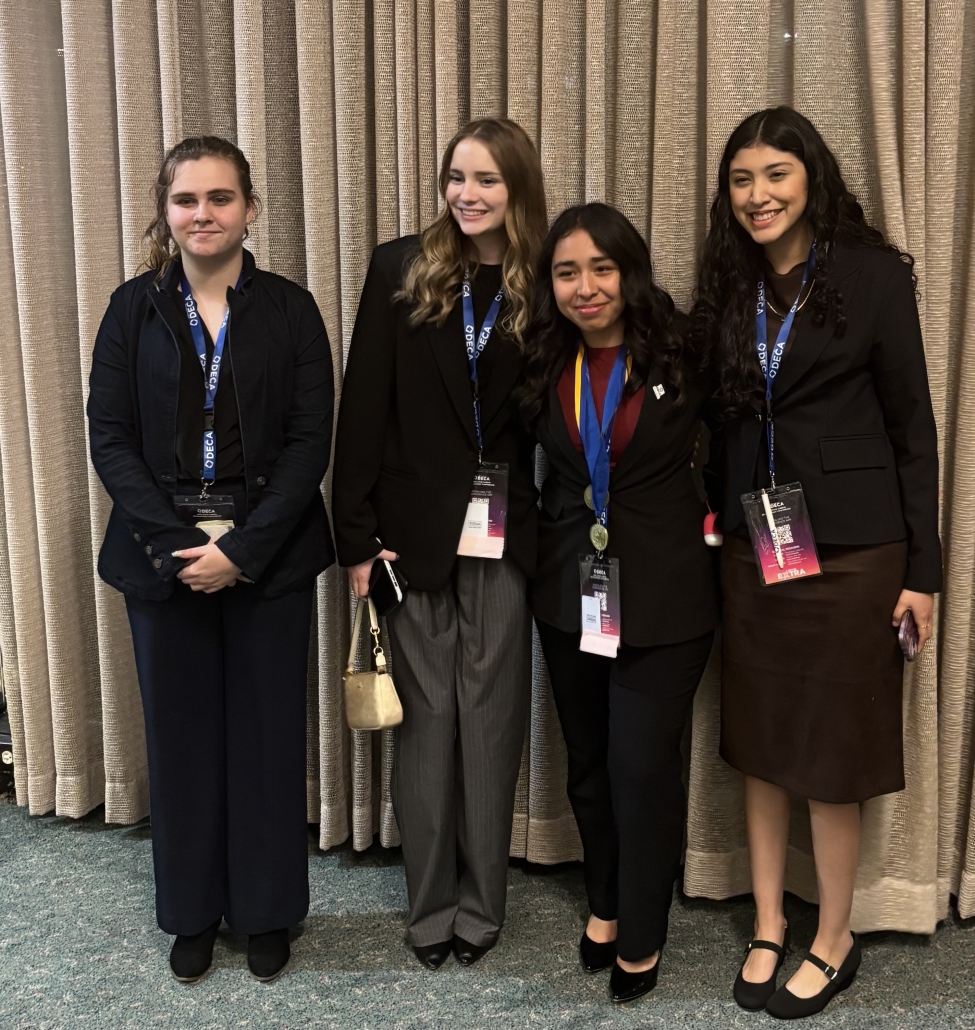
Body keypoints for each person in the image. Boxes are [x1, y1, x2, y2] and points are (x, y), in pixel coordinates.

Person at [694, 107, 941, 1019]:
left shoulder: (872, 277)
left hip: (854, 551)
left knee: (833, 750)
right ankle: (767, 923)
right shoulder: (728, 286)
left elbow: (913, 429)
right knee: (759, 743)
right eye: (740, 180)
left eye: (774, 175)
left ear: (811, 180)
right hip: (755, 546)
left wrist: (923, 572)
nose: (756, 195)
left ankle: (832, 936)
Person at [88, 137, 334, 984]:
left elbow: (309, 441)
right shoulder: (130, 310)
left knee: (267, 738)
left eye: (220, 198)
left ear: (249, 209)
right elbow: (110, 437)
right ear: (166, 212)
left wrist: (242, 549)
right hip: (161, 556)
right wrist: (174, 544)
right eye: (187, 199)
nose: (203, 214)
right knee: (182, 742)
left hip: (269, 553)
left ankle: (266, 911)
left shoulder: (291, 310)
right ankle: (190, 912)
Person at [331, 118, 547, 969]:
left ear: (516, 188)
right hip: (407, 537)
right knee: (424, 730)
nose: (467, 194)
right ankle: (428, 908)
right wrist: (355, 538)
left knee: (490, 729)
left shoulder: (544, 280)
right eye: (457, 176)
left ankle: (481, 906)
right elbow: (363, 406)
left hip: (504, 538)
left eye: (487, 179)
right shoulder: (401, 267)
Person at [516, 203, 718, 1003]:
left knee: (641, 766)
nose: (585, 287)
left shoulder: (684, 351)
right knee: (590, 763)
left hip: (667, 593)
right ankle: (603, 899)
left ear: (628, 271)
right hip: (570, 591)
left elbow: (739, 437)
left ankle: (642, 927)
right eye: (567, 272)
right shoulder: (542, 359)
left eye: (601, 268)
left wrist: (724, 518)